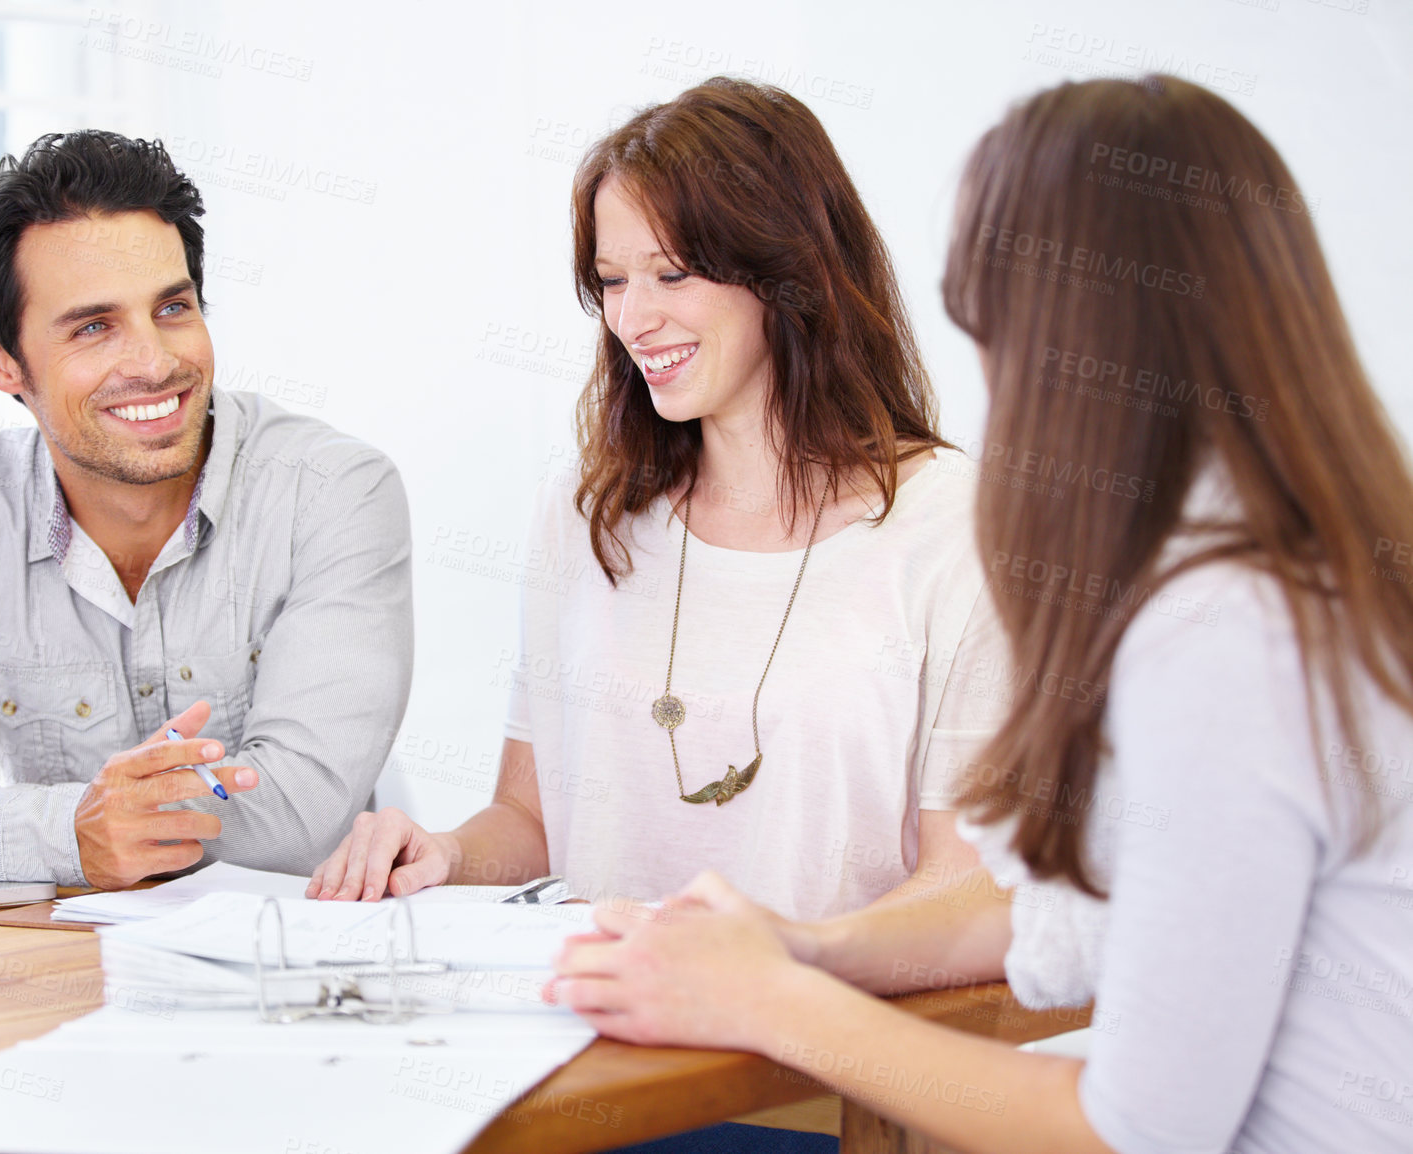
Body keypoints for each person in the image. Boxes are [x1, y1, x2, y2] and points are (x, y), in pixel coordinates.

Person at [551, 74, 1413, 1153]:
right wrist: (796, 949)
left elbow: (1133, 1131)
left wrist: (772, 1001)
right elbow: (1075, 918)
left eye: (993, 326)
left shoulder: (1226, 636)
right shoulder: (1292, 578)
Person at [310, 77, 1008, 920]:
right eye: (610, 281)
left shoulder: (953, 527)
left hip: (816, 1036)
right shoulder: (585, 511)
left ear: (789, 274)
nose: (632, 319)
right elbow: (534, 819)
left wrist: (776, 968)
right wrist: (445, 854)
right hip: (607, 1027)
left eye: (671, 275)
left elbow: (968, 887)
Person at [0, 131, 413, 891]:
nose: (155, 362)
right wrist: (68, 833)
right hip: (59, 963)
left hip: (300, 969)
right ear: (1, 361)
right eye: (93, 327)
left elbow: (297, 823)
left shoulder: (334, 492)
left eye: (173, 308)